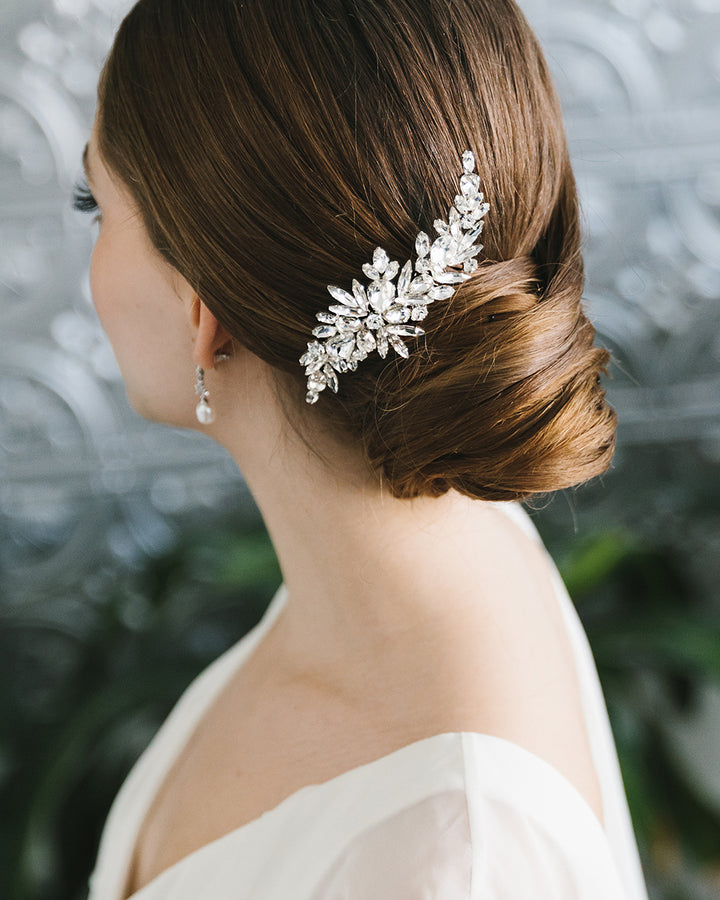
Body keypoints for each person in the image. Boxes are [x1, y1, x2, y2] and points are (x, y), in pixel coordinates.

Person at [74, 0, 650, 897]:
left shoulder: (457, 863)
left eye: (93, 205)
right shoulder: (418, 560)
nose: (91, 264)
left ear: (202, 315)